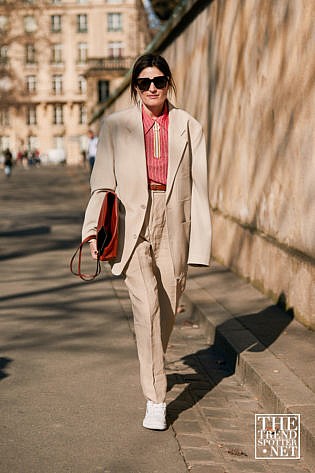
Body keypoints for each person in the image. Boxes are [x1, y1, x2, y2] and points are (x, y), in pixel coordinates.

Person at [82, 53, 212, 430]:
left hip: (174, 221)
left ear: (168, 82)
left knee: (168, 305)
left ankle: (153, 363)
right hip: (130, 222)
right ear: (135, 87)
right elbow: (102, 181)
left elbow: (200, 187)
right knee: (147, 307)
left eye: (158, 81)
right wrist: (92, 229)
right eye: (144, 82)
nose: (152, 88)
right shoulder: (116, 125)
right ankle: (156, 398)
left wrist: (200, 242)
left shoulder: (189, 126)